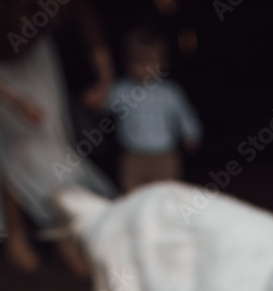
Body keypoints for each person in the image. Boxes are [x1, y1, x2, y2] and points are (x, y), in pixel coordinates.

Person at [0, 0, 116, 272]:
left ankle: (65, 234)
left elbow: (89, 28)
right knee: (16, 148)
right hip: (3, 72)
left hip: (40, 57)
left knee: (57, 140)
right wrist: (17, 101)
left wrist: (105, 80)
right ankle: (17, 236)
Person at [108, 26, 202, 193]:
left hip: (164, 156)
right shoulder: (121, 89)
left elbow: (184, 113)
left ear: (163, 62)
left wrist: (191, 133)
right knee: (132, 195)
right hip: (132, 156)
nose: (146, 67)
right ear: (128, 63)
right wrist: (96, 100)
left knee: (166, 194)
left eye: (151, 61)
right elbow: (105, 105)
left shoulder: (170, 91)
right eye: (139, 61)